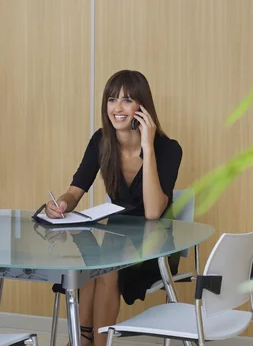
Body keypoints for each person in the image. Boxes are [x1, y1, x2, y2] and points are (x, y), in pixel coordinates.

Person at [45, 70, 183, 346]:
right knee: (86, 263)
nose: (117, 108)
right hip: (116, 236)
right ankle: (83, 339)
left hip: (154, 242)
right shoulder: (101, 141)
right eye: (111, 100)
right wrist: (61, 203)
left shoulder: (168, 149)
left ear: (142, 107)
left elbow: (153, 212)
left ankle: (93, 342)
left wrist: (147, 145)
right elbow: (75, 190)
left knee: (105, 268)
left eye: (127, 100)